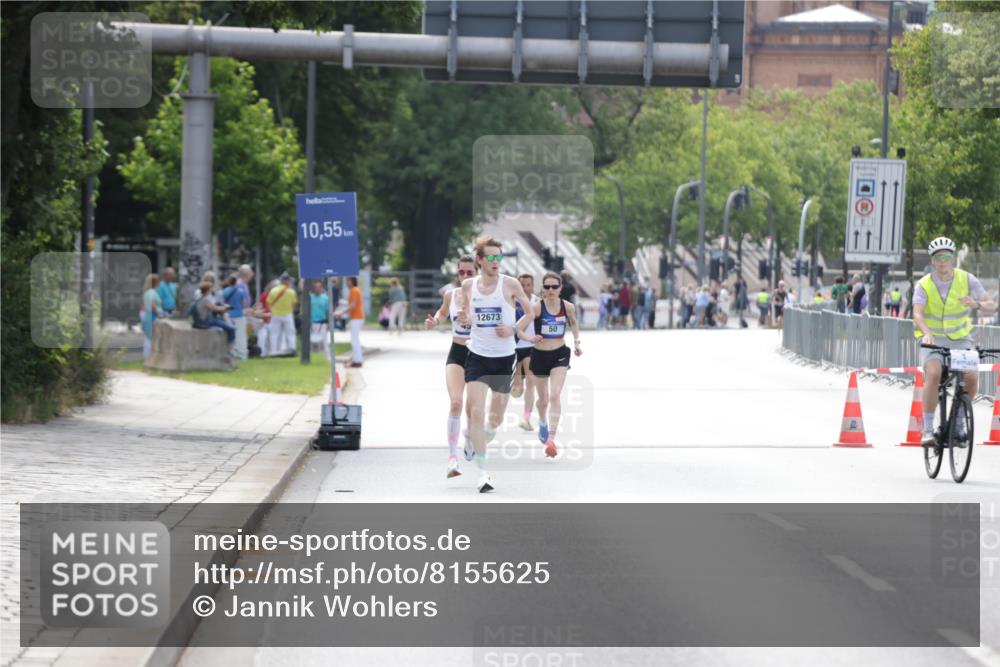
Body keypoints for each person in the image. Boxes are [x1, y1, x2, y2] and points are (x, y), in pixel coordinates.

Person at [454, 236, 534, 493]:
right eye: (491, 257)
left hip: (504, 358)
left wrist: (513, 327)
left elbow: (530, 311)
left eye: (499, 257)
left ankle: (479, 436)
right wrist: (465, 316)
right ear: (480, 260)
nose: (496, 261)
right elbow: (464, 314)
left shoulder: (509, 284)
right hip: (477, 356)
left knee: (495, 419)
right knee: (476, 411)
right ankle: (483, 473)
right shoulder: (469, 285)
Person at [914, 237, 997, 445]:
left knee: (971, 377)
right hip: (933, 340)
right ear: (933, 261)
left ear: (953, 258)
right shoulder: (924, 284)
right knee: (933, 374)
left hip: (960, 340)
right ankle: (927, 429)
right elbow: (918, 314)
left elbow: (991, 306)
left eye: (947, 256)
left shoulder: (967, 279)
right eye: (938, 257)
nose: (943, 261)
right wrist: (926, 332)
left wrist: (976, 303)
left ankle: (959, 422)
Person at [519, 271, 582, 459]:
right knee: (544, 400)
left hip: (560, 354)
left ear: (561, 288)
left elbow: (574, 323)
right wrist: (530, 338)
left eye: (555, 286)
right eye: (547, 287)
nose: (551, 290)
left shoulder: (568, 307)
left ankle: (552, 439)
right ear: (542, 289)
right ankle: (543, 422)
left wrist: (577, 342)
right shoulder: (536, 308)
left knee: (555, 395)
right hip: (539, 355)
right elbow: (518, 328)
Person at [426, 256, 478, 478]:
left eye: (470, 272)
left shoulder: (485, 297)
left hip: (478, 354)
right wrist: (435, 321)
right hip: (457, 352)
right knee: (456, 402)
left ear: (477, 273)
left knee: (472, 407)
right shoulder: (451, 295)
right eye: (462, 273)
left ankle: (468, 437)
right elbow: (442, 312)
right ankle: (452, 458)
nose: (465, 276)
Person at [511, 273, 538, 431]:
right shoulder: (511, 301)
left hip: (529, 346)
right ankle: (516, 385)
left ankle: (526, 417)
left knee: (531, 381)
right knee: (517, 387)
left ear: (533, 286)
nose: (526, 288)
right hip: (512, 347)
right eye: (523, 285)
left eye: (529, 285)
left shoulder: (537, 302)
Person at [190, 280, 235, 350]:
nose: (211, 290)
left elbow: (214, 307)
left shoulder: (199, 299)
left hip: (199, 322)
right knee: (230, 328)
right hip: (204, 323)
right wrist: (226, 308)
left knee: (220, 316)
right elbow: (215, 308)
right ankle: (230, 349)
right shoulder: (206, 300)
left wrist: (223, 307)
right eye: (210, 289)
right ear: (208, 290)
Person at [266, 273, 298, 356]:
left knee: (274, 334)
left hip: (276, 314)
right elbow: (294, 304)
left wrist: (272, 311)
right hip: (288, 314)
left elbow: (268, 303)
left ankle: (273, 351)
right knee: (290, 333)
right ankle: (292, 349)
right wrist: (291, 311)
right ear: (287, 281)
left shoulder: (273, 291)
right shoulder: (291, 291)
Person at [221, 271, 251, 360]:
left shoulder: (225, 291)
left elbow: (223, 302)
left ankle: (233, 353)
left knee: (232, 335)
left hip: (229, 315)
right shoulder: (240, 291)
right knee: (241, 336)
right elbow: (244, 303)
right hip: (239, 315)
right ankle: (242, 355)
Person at [141, 273, 165, 359]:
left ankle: (148, 356)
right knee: (152, 337)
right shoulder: (152, 292)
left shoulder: (147, 292)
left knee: (149, 337)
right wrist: (160, 314)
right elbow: (153, 304)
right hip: (153, 316)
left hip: (148, 315)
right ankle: (149, 356)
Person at [308, 280, 332, 361]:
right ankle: (309, 358)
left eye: (319, 287)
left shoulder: (325, 298)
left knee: (324, 341)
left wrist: (328, 322)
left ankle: (328, 357)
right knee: (310, 342)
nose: (317, 289)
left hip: (322, 323)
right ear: (313, 288)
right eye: (316, 287)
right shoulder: (310, 298)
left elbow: (328, 311)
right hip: (311, 323)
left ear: (321, 288)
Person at [345, 276, 365, 367]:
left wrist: (341, 312)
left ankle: (357, 360)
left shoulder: (354, 290)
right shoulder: (355, 290)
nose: (346, 283)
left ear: (352, 282)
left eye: (348, 281)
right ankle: (356, 359)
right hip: (356, 317)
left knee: (354, 340)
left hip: (357, 317)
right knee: (355, 339)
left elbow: (353, 305)